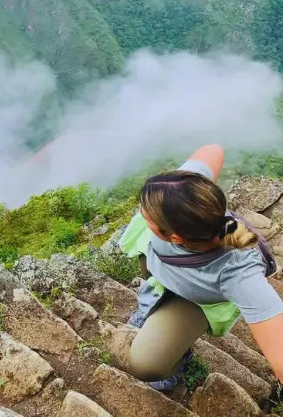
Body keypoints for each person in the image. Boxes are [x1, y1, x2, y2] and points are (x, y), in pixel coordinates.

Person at [119, 144, 283, 392]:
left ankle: (178, 356)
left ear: (175, 238)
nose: (142, 214)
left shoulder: (239, 272)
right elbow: (213, 150)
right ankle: (152, 308)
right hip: (166, 272)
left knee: (146, 365)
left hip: (194, 300)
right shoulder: (187, 196)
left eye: (148, 216)